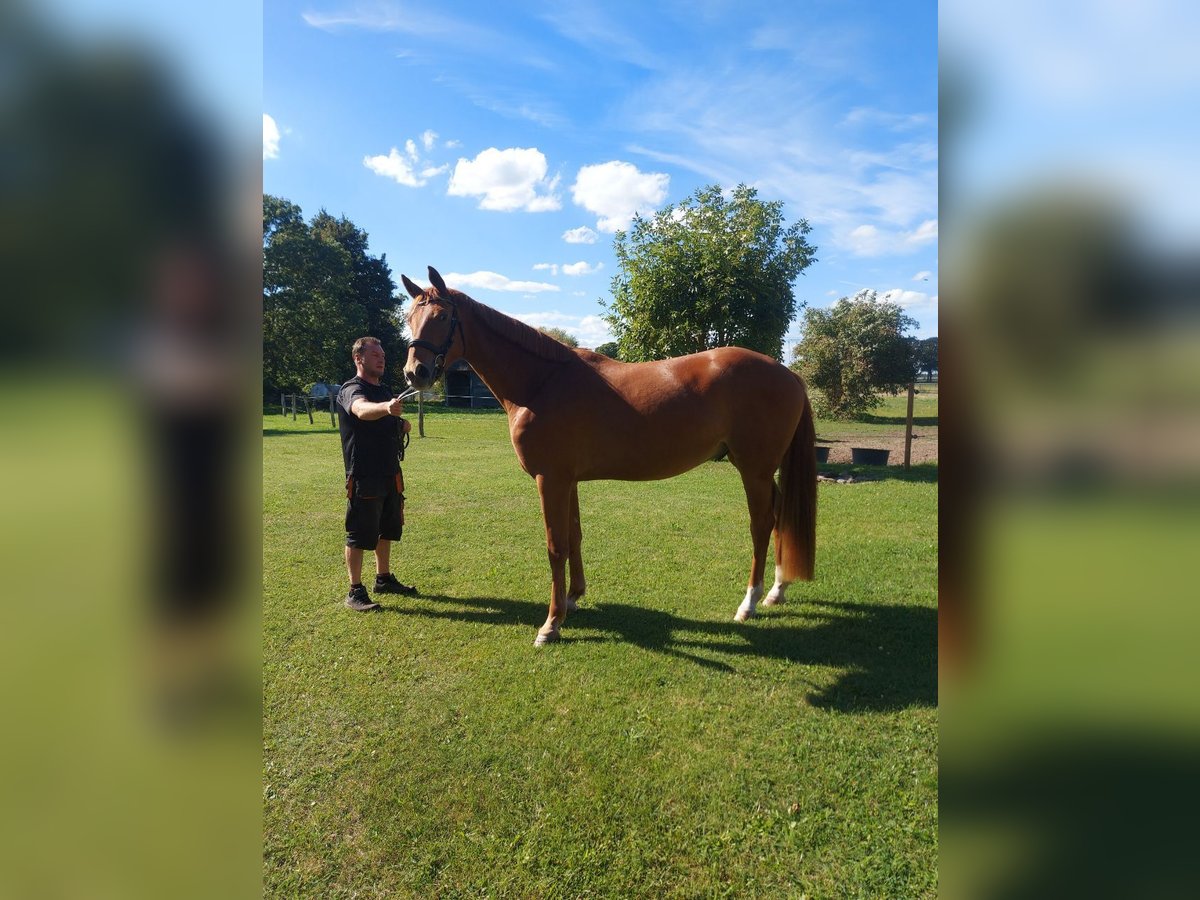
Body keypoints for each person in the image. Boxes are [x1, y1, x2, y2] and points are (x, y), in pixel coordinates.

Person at [336, 336, 417, 611]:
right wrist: (386, 409)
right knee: (359, 533)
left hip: (390, 472)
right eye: (375, 355)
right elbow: (360, 410)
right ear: (359, 359)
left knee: (387, 529)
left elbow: (388, 421)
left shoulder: (384, 391)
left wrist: (401, 423)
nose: (382, 359)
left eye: (382, 355)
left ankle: (383, 578)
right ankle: (354, 591)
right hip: (364, 474)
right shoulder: (351, 389)